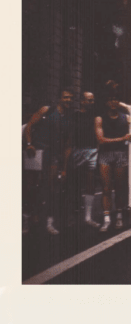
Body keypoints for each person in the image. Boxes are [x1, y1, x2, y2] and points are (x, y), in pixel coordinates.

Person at [24, 88, 74, 235]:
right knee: (30, 187)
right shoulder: (47, 110)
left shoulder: (69, 118)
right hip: (36, 152)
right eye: (66, 97)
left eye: (71, 98)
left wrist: (64, 167)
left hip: (53, 155)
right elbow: (29, 126)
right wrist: (29, 144)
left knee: (50, 188)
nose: (68, 100)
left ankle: (49, 223)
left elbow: (68, 145)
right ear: (59, 98)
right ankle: (27, 220)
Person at [94, 91, 131, 232]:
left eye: (116, 98)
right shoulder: (100, 118)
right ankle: (107, 219)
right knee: (106, 188)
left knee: (120, 188)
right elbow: (101, 140)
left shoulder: (126, 118)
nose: (113, 102)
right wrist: (122, 139)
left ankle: (120, 217)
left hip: (121, 154)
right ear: (106, 102)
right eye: (110, 99)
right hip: (105, 155)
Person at [68, 90, 100, 228]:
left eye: (93, 100)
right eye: (89, 100)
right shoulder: (74, 115)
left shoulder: (95, 116)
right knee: (74, 184)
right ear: (82, 101)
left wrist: (97, 149)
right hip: (77, 151)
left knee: (90, 183)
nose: (92, 103)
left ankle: (88, 217)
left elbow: (98, 133)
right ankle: (72, 217)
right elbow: (69, 136)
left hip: (92, 151)